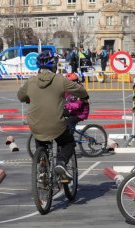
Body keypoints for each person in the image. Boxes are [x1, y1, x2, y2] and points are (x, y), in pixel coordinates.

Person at [17, 50, 88, 179]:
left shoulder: (31, 81)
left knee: (40, 138)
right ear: (54, 66)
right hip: (57, 125)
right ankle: (61, 162)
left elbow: (20, 96)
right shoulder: (60, 80)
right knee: (68, 142)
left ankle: (43, 167)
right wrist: (84, 95)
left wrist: (29, 98)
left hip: (35, 124)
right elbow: (80, 90)